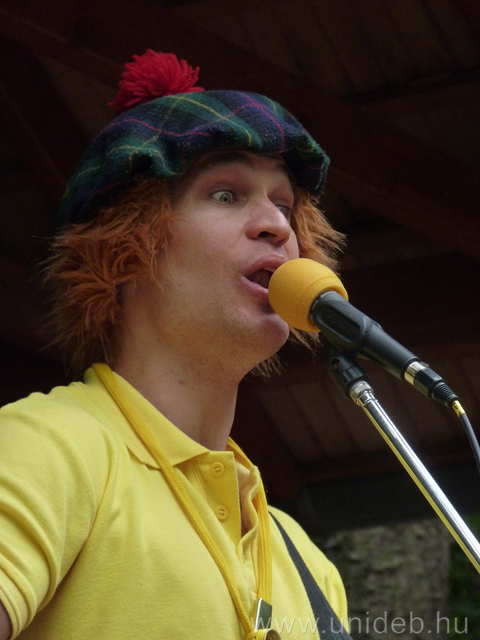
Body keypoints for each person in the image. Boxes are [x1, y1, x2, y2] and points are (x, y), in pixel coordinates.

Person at [0, 51, 348, 639]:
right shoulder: (47, 447)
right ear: (126, 249)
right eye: (226, 194)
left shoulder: (309, 566)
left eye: (285, 205)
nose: (276, 225)